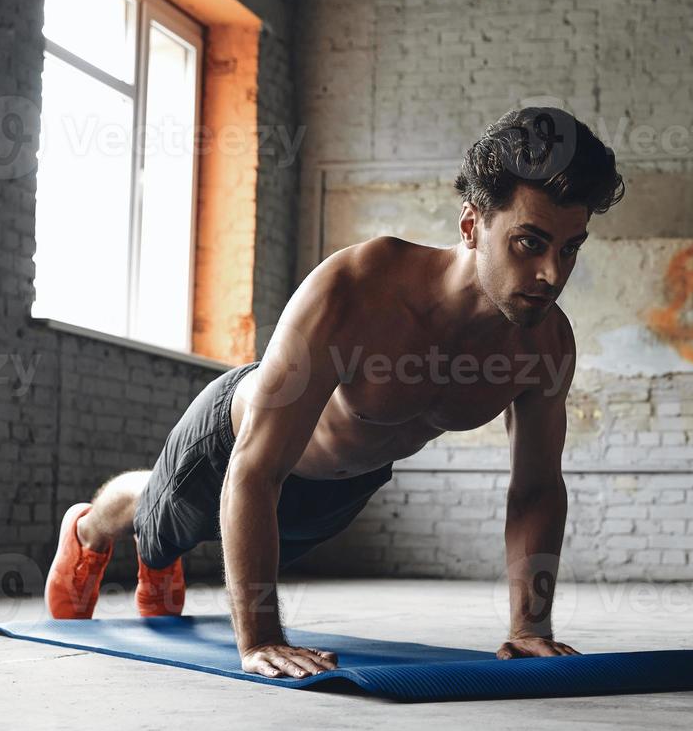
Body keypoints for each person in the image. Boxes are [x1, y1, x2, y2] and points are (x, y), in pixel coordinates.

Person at [43, 107, 625, 679]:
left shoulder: (545, 343)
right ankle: (91, 526)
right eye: (530, 243)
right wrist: (262, 638)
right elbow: (252, 470)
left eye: (571, 248)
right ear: (472, 226)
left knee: (213, 538)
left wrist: (529, 628)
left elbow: (536, 489)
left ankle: (159, 553)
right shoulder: (356, 291)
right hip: (234, 446)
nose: (553, 274)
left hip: (337, 493)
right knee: (165, 517)